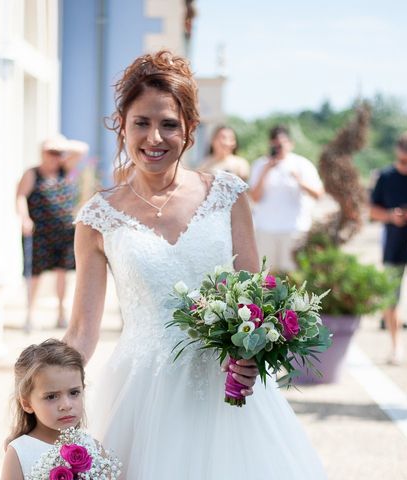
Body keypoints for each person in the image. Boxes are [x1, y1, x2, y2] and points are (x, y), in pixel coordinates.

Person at [64, 50, 326, 478]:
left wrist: (251, 355)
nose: (155, 138)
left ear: (189, 129)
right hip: (141, 392)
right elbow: (81, 331)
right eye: (141, 123)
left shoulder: (227, 195)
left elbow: (255, 301)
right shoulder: (97, 217)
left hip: (229, 393)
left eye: (169, 124)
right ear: (122, 126)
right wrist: (44, 392)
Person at [16, 136, 89, 331]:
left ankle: (61, 313)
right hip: (39, 231)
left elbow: (82, 148)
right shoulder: (32, 173)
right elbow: (21, 196)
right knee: (34, 274)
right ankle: (30, 314)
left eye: (58, 153)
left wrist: (61, 145)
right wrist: (24, 218)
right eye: (51, 152)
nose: (55, 156)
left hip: (64, 231)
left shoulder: (64, 169)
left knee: (62, 273)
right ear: (42, 153)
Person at [370, 132, 407, 365]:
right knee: (390, 300)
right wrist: (392, 216)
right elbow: (372, 210)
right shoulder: (386, 176)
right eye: (404, 161)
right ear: (396, 155)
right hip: (395, 246)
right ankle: (396, 346)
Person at [0, 339, 86, 480]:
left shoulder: (92, 448)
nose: (66, 405)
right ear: (27, 403)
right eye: (51, 396)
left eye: (74, 393)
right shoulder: (19, 453)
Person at [248, 125, 324, 273]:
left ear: (291, 143)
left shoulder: (302, 164)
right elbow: (255, 197)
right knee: (265, 276)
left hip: (294, 229)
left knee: (293, 276)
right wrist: (266, 171)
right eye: (275, 143)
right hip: (265, 229)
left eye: (282, 143)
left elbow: (318, 194)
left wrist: (300, 181)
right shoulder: (260, 165)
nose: (279, 147)